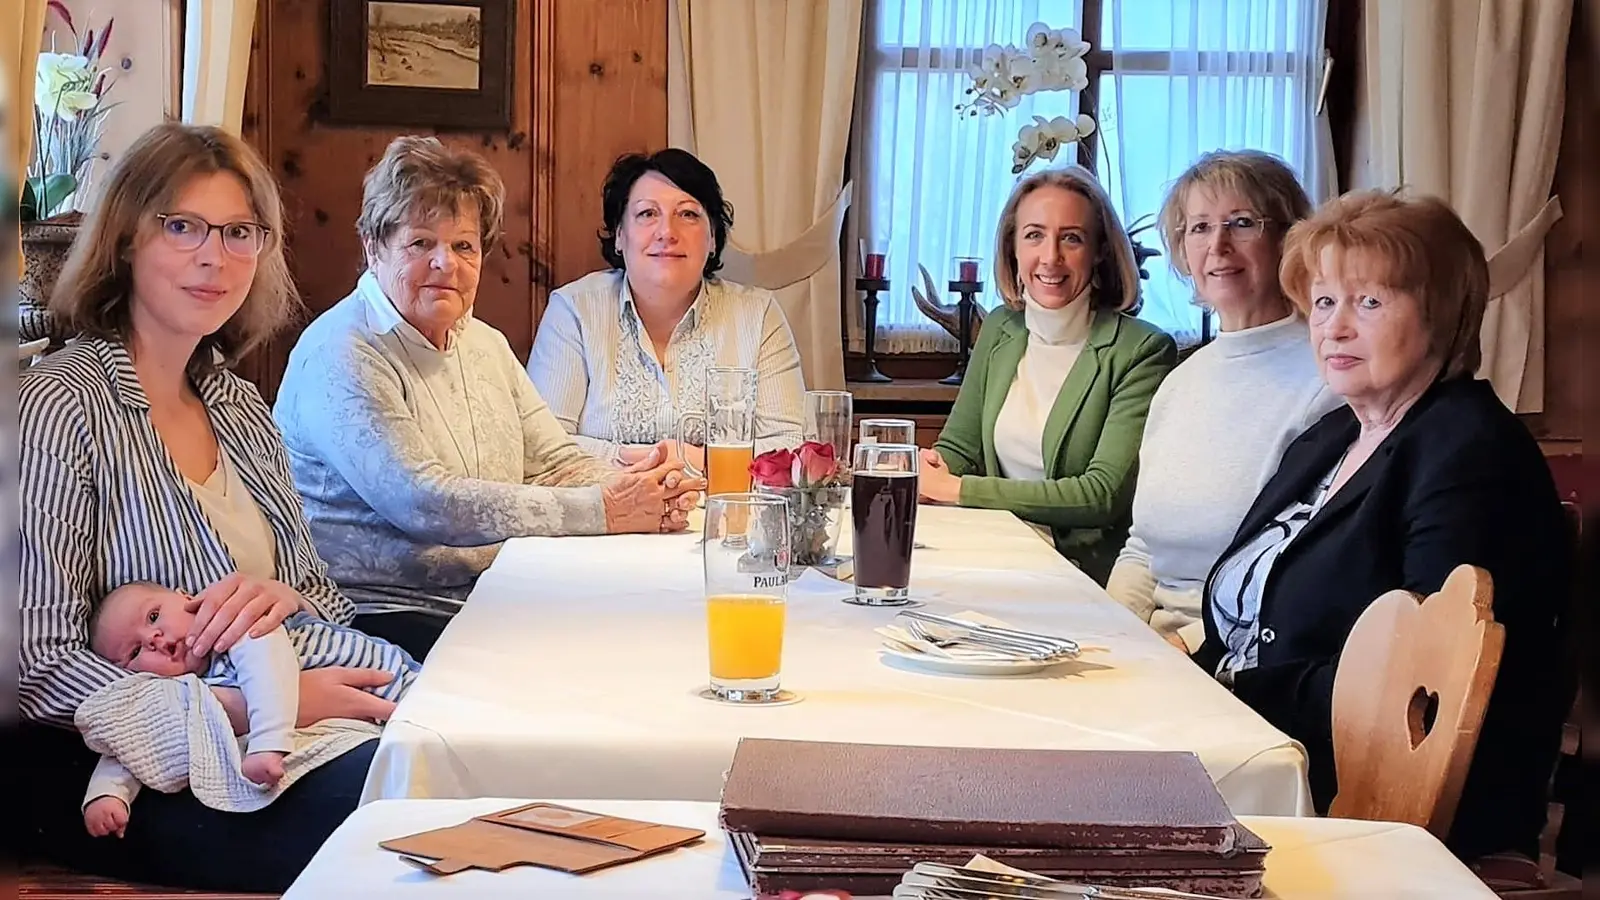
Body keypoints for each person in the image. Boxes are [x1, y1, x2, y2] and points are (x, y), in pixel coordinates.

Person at [20, 122, 397, 892]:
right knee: (405, 813)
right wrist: (238, 704)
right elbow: (34, 665)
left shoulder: (239, 404)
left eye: (238, 233)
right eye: (183, 226)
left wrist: (283, 596)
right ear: (124, 239)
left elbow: (323, 600)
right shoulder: (58, 403)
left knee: (456, 762)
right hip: (128, 773)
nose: (213, 256)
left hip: (290, 715)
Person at [1192, 190, 1570, 869]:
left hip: (1372, 797)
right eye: (1325, 303)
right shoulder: (1331, 435)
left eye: (1368, 303)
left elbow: (1417, 682)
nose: (1334, 328)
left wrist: (1229, 697)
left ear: (1441, 315)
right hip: (1267, 745)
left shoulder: (1469, 451)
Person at [274, 136, 702, 661]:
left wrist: (646, 489)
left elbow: (555, 461)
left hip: (488, 595)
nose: (445, 264)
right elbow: (425, 502)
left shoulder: (483, 343)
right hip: (378, 617)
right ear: (372, 246)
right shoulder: (341, 352)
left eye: (463, 246)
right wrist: (606, 508)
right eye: (420, 244)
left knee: (659, 633)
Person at [1107, 151, 1339, 651]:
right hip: (1158, 647)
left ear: (1289, 238)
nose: (1218, 245)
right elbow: (1143, 549)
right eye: (1199, 228)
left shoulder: (1327, 379)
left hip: (1247, 653)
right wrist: (1114, 633)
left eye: (1242, 223)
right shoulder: (1180, 382)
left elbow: (1294, 566)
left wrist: (1186, 646)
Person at [920, 166, 1177, 583]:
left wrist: (957, 490)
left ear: (1099, 251)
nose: (1051, 257)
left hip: (1080, 577)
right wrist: (929, 468)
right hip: (992, 555)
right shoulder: (1002, 328)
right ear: (1013, 249)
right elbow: (960, 446)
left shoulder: (1141, 350)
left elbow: (1101, 495)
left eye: (1071, 238)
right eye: (1034, 235)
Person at [526, 148, 806, 467]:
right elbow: (542, 447)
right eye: (647, 214)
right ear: (619, 235)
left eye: (688, 214)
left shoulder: (758, 316)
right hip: (608, 511)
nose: (667, 233)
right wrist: (649, 458)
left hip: (724, 511)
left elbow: (788, 445)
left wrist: (699, 460)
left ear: (713, 237)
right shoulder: (574, 310)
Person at [82, 581, 419, 837]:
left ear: (189, 599)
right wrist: (107, 794)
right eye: (135, 652)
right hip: (372, 717)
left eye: (154, 616)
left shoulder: (235, 628)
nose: (154, 637)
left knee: (442, 741)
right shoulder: (179, 691)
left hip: (394, 680)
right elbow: (133, 736)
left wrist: (267, 743)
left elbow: (268, 673)